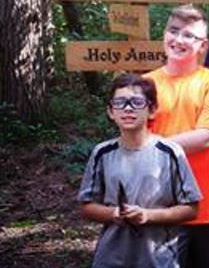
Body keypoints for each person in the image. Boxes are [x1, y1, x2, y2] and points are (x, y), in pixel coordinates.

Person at [78, 73, 201, 268]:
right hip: (112, 257)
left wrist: (148, 215)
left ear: (152, 110)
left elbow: (191, 209)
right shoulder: (102, 153)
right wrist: (113, 213)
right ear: (111, 111)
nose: (127, 108)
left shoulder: (170, 153)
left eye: (136, 102)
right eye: (120, 102)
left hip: (158, 258)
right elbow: (86, 206)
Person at [145, 5, 209, 268]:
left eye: (189, 35)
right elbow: (132, 140)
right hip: (161, 207)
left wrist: (151, 146)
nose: (178, 40)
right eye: (173, 31)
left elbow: (206, 137)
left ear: (203, 45)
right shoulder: (145, 85)